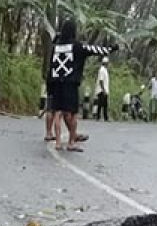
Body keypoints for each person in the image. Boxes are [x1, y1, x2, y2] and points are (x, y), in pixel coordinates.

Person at [47, 19, 114, 152]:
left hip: (56, 84)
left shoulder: (56, 48)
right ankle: (71, 141)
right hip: (70, 84)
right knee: (73, 114)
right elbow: (94, 49)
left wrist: (50, 85)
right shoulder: (77, 46)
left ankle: (59, 142)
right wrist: (112, 48)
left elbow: (51, 67)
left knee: (58, 113)